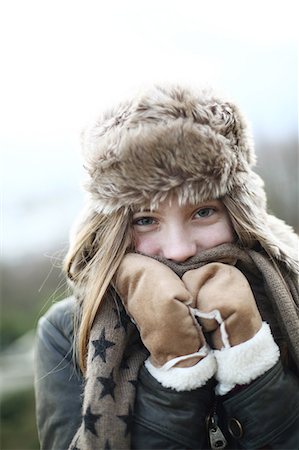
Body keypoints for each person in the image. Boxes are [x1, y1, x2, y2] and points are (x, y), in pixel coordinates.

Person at [34, 84, 299, 450]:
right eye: (145, 220)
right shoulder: (64, 332)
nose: (178, 251)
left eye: (203, 212)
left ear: (239, 214)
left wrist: (250, 360)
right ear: (114, 228)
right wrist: (177, 367)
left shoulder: (293, 294)